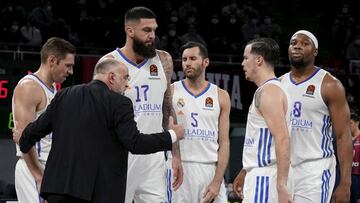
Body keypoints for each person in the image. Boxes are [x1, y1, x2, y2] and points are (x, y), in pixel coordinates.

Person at [13, 58, 185, 203]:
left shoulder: (64, 95)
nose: (128, 85)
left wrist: (23, 137)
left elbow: (30, 135)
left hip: (59, 190)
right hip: (97, 193)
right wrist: (172, 135)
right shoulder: (119, 103)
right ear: (111, 77)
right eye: (125, 78)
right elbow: (135, 143)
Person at [100, 6, 182, 203]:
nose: (152, 36)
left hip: (154, 157)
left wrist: (175, 155)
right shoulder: (109, 63)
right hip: (121, 156)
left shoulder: (163, 60)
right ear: (130, 31)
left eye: (154, 30)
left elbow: (167, 108)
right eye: (147, 30)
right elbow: (99, 115)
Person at [280, 30, 353, 203]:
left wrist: (345, 183)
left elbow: (343, 136)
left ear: (315, 52)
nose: (297, 46)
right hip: (283, 169)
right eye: (293, 43)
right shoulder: (278, 84)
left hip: (315, 170)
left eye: (305, 44)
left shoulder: (330, 85)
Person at [11, 37, 75, 203]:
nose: (71, 71)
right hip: (34, 168)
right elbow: (24, 139)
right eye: (68, 65)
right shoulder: (29, 87)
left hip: (48, 169)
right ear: (52, 60)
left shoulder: (53, 89)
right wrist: (39, 176)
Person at [232, 38, 293, 203]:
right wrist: (246, 170)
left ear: (258, 60)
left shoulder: (269, 92)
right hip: (262, 175)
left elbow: (282, 138)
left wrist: (281, 185)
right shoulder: (271, 89)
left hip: (266, 178)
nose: (243, 63)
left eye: (246, 58)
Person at [170, 41, 230, 203]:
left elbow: (224, 142)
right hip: (179, 167)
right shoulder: (171, 91)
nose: (187, 63)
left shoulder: (221, 95)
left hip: (209, 169)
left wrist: (218, 180)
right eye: (184, 59)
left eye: (192, 58)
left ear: (206, 62)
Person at [350, 111, 360, 203]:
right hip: (348, 176)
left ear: (357, 123)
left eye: (351, 123)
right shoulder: (346, 139)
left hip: (358, 175)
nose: (349, 126)